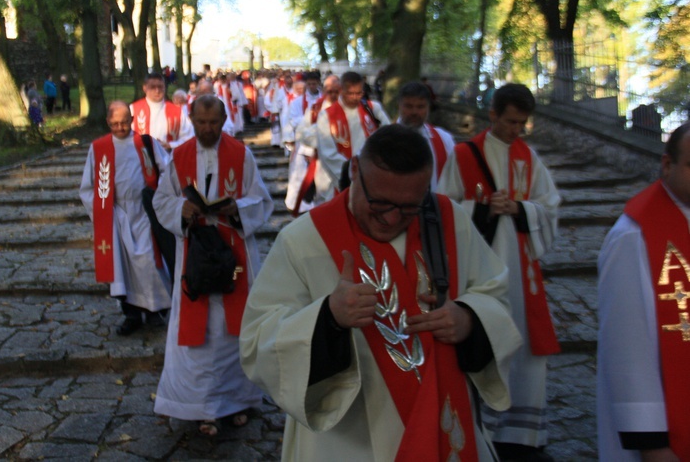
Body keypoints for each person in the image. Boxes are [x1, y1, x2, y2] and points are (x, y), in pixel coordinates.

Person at [240, 125, 521, 461]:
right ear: (355, 169)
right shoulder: (303, 240)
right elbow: (258, 343)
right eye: (379, 203)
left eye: (408, 208)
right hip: (348, 441)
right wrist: (328, 318)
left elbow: (495, 295)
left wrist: (469, 319)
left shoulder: (448, 221)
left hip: (443, 417)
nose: (390, 219)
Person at [438, 83, 560, 461]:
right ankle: (485, 427)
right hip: (481, 269)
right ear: (492, 115)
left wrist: (521, 209)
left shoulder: (529, 157)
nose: (517, 130)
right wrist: (484, 208)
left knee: (523, 345)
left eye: (523, 123)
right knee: (489, 342)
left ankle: (521, 436)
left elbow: (550, 206)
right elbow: (445, 206)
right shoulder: (464, 154)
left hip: (522, 274)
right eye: (510, 122)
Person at [152, 94, 274, 436]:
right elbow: (162, 200)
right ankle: (201, 406)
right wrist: (181, 210)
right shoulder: (178, 157)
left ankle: (239, 401)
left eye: (214, 123)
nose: (207, 129)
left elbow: (261, 199)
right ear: (192, 120)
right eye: (201, 123)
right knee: (200, 337)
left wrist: (239, 208)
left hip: (233, 252)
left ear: (224, 121)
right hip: (195, 253)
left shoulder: (241, 154)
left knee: (233, 333)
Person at [597, 122, 690, 461]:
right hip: (664, 433)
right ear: (668, 165)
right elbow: (626, 347)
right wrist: (652, 443)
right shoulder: (633, 237)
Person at [79, 101, 172, 336]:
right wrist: (101, 212)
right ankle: (131, 314)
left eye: (124, 122)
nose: (120, 127)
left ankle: (154, 310)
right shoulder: (99, 148)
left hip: (144, 211)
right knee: (123, 267)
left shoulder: (145, 143)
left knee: (148, 261)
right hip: (116, 214)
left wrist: (160, 198)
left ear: (132, 120)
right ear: (108, 122)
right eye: (114, 123)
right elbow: (88, 186)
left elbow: (168, 171)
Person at [315, 71, 391, 201]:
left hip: (374, 177)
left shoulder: (373, 109)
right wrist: (352, 174)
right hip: (345, 180)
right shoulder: (326, 116)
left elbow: (389, 136)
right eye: (350, 93)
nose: (355, 97)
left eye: (359, 93)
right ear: (341, 90)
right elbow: (327, 154)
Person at [396, 81, 456, 190]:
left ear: (428, 107)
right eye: (409, 106)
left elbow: (455, 178)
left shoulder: (444, 139)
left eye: (420, 107)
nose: (414, 112)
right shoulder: (382, 139)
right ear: (399, 105)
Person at [284, 72, 323, 214]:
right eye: (310, 83)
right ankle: (298, 206)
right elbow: (293, 120)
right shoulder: (297, 102)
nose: (312, 86)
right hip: (302, 145)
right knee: (299, 175)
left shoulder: (325, 100)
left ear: (319, 83)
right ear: (306, 84)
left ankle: (317, 206)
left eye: (315, 83)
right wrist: (311, 119)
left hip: (321, 144)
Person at [130, 72, 193, 151]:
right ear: (145, 88)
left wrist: (171, 145)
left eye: (160, 87)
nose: (157, 91)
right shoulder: (133, 109)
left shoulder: (177, 111)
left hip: (169, 158)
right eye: (152, 87)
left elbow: (190, 136)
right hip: (141, 158)